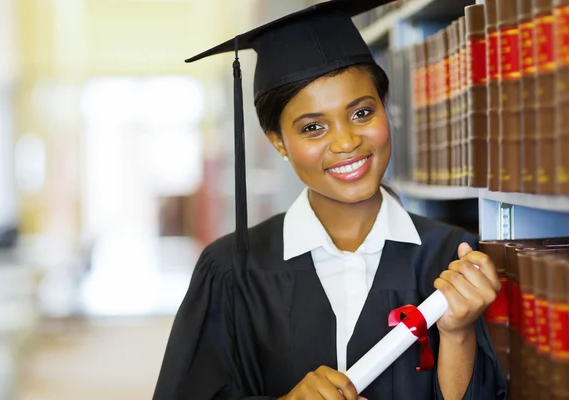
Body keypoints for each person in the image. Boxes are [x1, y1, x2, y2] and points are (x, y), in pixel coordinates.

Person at [153, 1, 508, 399]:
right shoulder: (232, 270)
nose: (345, 142)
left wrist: (457, 333)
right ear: (278, 142)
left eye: (361, 113)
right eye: (313, 127)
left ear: (385, 109)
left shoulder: (450, 259)